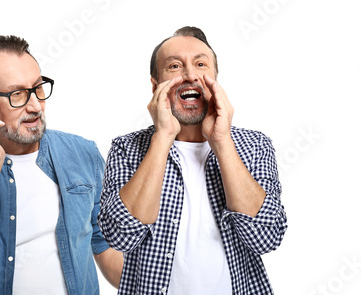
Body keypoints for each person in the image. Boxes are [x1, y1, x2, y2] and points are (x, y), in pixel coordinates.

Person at [98, 26, 288, 294]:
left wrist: (221, 142)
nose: (189, 75)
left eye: (201, 64)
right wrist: (163, 136)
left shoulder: (255, 145)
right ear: (155, 85)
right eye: (175, 66)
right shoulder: (126, 148)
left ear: (214, 79)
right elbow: (121, 236)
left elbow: (265, 238)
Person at [0, 35, 123, 294]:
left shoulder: (82, 153)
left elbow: (103, 242)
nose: (35, 106)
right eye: (17, 94)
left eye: (38, 88)